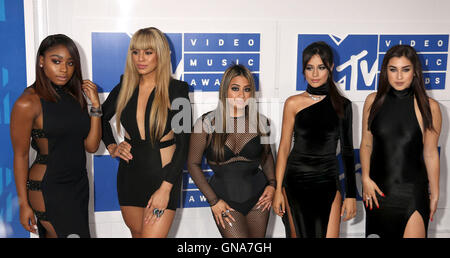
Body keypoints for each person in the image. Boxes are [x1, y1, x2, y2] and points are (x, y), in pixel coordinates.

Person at [101, 27, 191, 238]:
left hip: (162, 178)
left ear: (160, 55)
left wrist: (165, 189)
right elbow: (101, 118)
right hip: (129, 177)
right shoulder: (125, 85)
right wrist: (112, 146)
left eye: (148, 52)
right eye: (135, 52)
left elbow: (184, 144)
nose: (140, 58)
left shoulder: (178, 90)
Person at [10, 34, 101, 238]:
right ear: (41, 61)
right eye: (56, 61)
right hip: (49, 186)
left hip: (78, 184)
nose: (64, 69)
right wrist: (24, 204)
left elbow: (92, 146)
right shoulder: (27, 103)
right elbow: (21, 156)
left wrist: (96, 107)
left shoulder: (74, 96)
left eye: (70, 63)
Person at [272, 41, 357, 238]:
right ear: (303, 70)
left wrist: (351, 194)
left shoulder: (343, 105)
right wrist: (278, 190)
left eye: (321, 67)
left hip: (328, 181)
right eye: (310, 68)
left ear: (331, 68)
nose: (315, 74)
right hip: (295, 182)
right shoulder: (293, 103)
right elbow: (284, 148)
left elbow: (347, 151)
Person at [360, 45, 441, 238]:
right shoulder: (373, 101)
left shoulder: (430, 107)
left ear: (415, 72)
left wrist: (435, 193)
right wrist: (365, 178)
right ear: (385, 71)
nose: (399, 76)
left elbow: (430, 153)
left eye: (405, 70)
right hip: (377, 193)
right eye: (393, 69)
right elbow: (366, 144)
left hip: (412, 194)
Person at [187, 64, 276, 238]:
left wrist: (272, 185)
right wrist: (213, 201)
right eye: (235, 88)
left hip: (259, 199)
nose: (241, 95)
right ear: (225, 90)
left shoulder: (261, 123)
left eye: (247, 89)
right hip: (224, 201)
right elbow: (192, 164)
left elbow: (266, 158)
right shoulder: (206, 123)